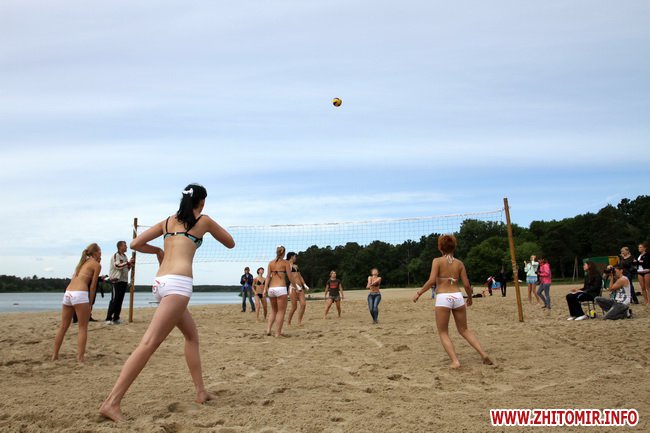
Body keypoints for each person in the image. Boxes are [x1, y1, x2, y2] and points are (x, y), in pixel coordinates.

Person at [99, 184, 235, 422]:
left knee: (192, 337)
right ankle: (111, 403)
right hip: (178, 285)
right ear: (202, 202)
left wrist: (158, 251)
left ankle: (200, 391)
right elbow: (230, 243)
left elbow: (135, 244)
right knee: (148, 343)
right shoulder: (203, 221)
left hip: (160, 283)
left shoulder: (168, 222)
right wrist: (205, 227)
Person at [412, 234, 492, 369]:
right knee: (464, 330)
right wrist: (470, 298)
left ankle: (455, 361)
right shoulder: (459, 263)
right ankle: (483, 354)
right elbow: (466, 285)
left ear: (440, 247)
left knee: (443, 332)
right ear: (454, 247)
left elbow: (431, 281)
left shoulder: (437, 261)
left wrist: (419, 293)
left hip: (443, 297)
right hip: (457, 296)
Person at [52, 243, 102, 362]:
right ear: (95, 253)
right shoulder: (96, 265)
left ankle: (55, 355)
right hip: (80, 293)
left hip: (68, 292)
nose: (101, 254)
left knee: (63, 326)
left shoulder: (81, 263)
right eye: (100, 252)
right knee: (82, 327)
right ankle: (80, 357)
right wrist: (90, 303)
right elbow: (93, 286)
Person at [263, 246, 299, 337]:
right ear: (284, 253)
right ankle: (277, 333)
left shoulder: (271, 263)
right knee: (281, 312)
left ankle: (268, 329)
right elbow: (290, 277)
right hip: (280, 289)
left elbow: (268, 277)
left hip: (271, 289)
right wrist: (296, 287)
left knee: (273, 310)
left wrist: (265, 289)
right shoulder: (286, 263)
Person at [105, 241, 134, 324]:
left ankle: (116, 318)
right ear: (120, 246)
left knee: (120, 300)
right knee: (114, 300)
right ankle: (108, 318)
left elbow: (126, 269)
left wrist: (130, 265)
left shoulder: (125, 256)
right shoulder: (116, 255)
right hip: (116, 281)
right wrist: (128, 263)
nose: (126, 247)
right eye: (125, 245)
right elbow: (117, 266)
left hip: (124, 281)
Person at [286, 252, 309, 327]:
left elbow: (300, 276)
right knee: (294, 307)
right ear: (291, 257)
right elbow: (290, 277)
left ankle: (299, 322)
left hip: (300, 287)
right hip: (293, 287)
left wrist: (304, 284)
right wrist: (295, 286)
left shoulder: (296, 266)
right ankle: (288, 322)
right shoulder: (287, 265)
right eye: (295, 256)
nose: (296, 258)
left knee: (303, 304)